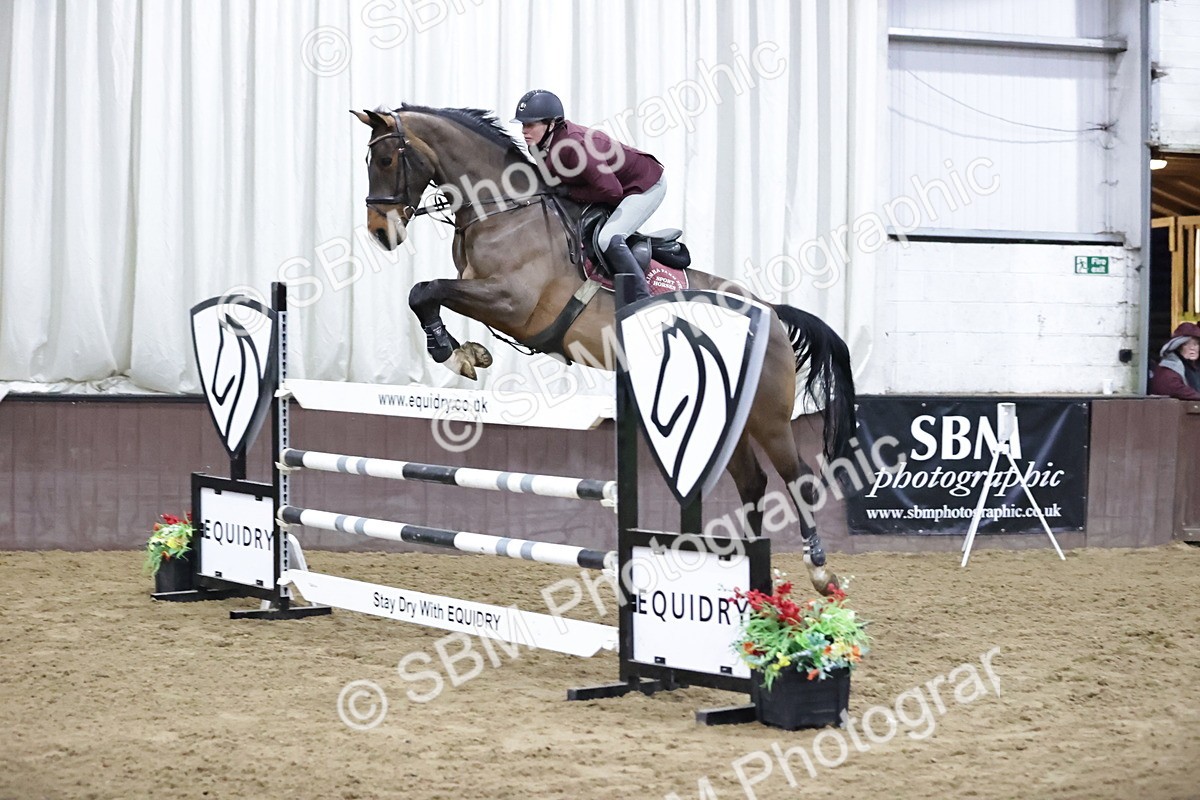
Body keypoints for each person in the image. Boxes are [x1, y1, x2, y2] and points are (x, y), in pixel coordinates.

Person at [512, 89, 665, 296]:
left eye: (530, 124)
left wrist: (570, 192)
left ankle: (641, 299)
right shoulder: (538, 146)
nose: (524, 130)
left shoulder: (576, 145)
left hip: (643, 186)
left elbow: (612, 191)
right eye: (523, 124)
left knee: (608, 238)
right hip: (609, 188)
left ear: (551, 124)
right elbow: (552, 183)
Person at [1150, 321, 1200, 400]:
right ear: (1178, 346)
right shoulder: (1168, 367)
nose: (1192, 348)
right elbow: (1174, 388)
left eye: (1195, 344)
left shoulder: (1195, 367)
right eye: (1186, 344)